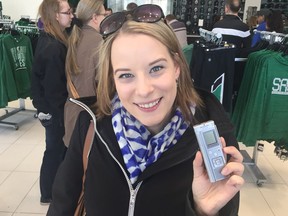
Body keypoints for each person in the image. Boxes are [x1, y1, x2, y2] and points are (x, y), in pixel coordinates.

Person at [47, 4, 244, 215]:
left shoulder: (213, 136)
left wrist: (202, 211)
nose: (144, 90)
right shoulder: (90, 127)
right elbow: (62, 206)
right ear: (112, 79)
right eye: (125, 75)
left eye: (156, 68)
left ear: (176, 66)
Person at [31, 0, 73, 205]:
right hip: (53, 110)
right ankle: (48, 193)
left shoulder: (51, 38)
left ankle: (49, 191)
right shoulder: (53, 47)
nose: (71, 15)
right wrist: (63, 117)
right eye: (67, 12)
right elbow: (54, 90)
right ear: (56, 15)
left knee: (54, 150)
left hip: (49, 108)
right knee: (54, 151)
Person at [63, 0, 105, 147]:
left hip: (72, 111)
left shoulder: (75, 37)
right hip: (90, 116)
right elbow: (104, 82)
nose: (105, 18)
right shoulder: (99, 42)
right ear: (94, 17)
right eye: (104, 15)